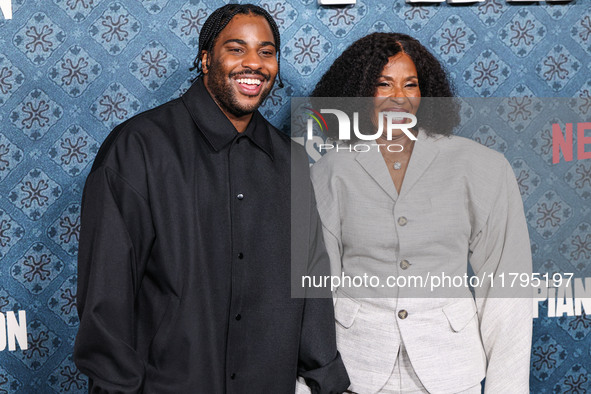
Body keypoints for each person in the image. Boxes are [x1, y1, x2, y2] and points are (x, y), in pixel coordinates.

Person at [74, 4, 349, 393]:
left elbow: (311, 281)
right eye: (237, 49)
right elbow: (107, 292)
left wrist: (325, 379)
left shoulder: (289, 159)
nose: (254, 63)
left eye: (266, 52)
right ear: (205, 59)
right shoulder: (139, 148)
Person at [309, 32, 532, 393]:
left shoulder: (480, 166)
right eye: (383, 84)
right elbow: (319, 291)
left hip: (451, 370)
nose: (399, 96)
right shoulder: (332, 170)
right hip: (357, 370)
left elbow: (506, 288)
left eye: (410, 84)